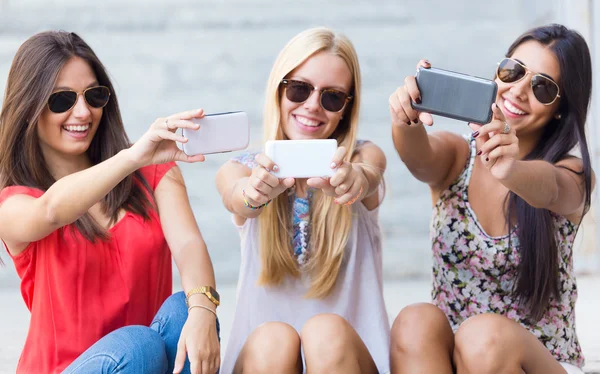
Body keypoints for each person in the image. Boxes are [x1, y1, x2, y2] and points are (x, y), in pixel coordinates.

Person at [0, 31, 220, 374]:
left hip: (150, 363)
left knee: (184, 310)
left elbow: (189, 245)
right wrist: (132, 158)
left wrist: (204, 308)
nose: (83, 112)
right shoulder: (15, 204)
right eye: (61, 100)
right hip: (70, 367)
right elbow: (52, 210)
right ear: (29, 107)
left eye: (94, 95)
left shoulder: (155, 175)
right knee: (138, 345)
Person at [388, 24, 593, 374]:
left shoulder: (572, 173)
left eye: (542, 87)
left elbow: (553, 188)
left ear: (560, 108)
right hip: (453, 360)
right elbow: (419, 158)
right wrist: (406, 121)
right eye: (512, 71)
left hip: (537, 363)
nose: (517, 91)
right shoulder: (457, 157)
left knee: (483, 338)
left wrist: (510, 170)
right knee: (414, 321)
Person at [216, 27, 389, 373]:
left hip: (347, 359)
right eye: (299, 89)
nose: (312, 105)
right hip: (264, 360)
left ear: (345, 109)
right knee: (274, 340)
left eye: (332, 97)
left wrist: (355, 179)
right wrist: (253, 195)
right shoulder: (242, 169)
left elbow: (370, 173)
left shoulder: (360, 157)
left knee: (325, 332)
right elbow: (235, 196)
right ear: (278, 92)